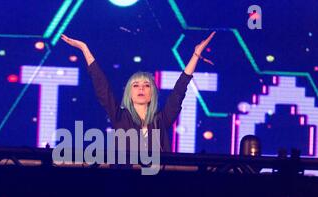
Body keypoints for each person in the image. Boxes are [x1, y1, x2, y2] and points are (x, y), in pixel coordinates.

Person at [61, 32, 216, 154]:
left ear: (152, 93)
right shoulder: (119, 117)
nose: (141, 88)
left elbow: (179, 92)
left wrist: (196, 55)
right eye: (135, 85)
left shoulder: (161, 120)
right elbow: (102, 87)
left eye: (146, 85)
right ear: (129, 93)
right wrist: (84, 49)